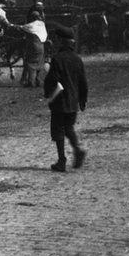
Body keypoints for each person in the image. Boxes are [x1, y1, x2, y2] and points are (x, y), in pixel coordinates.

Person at [44, 23, 88, 172]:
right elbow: (83, 82)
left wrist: (48, 95)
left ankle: (61, 161)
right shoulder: (77, 59)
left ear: (61, 41)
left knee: (58, 130)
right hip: (73, 101)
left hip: (59, 100)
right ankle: (77, 150)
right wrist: (83, 100)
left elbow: (52, 80)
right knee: (69, 127)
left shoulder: (57, 59)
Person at [19, 10, 48, 88]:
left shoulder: (31, 25)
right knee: (39, 63)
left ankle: (31, 82)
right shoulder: (42, 24)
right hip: (41, 46)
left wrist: (11, 25)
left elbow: (22, 27)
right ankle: (38, 81)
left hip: (33, 46)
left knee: (30, 63)